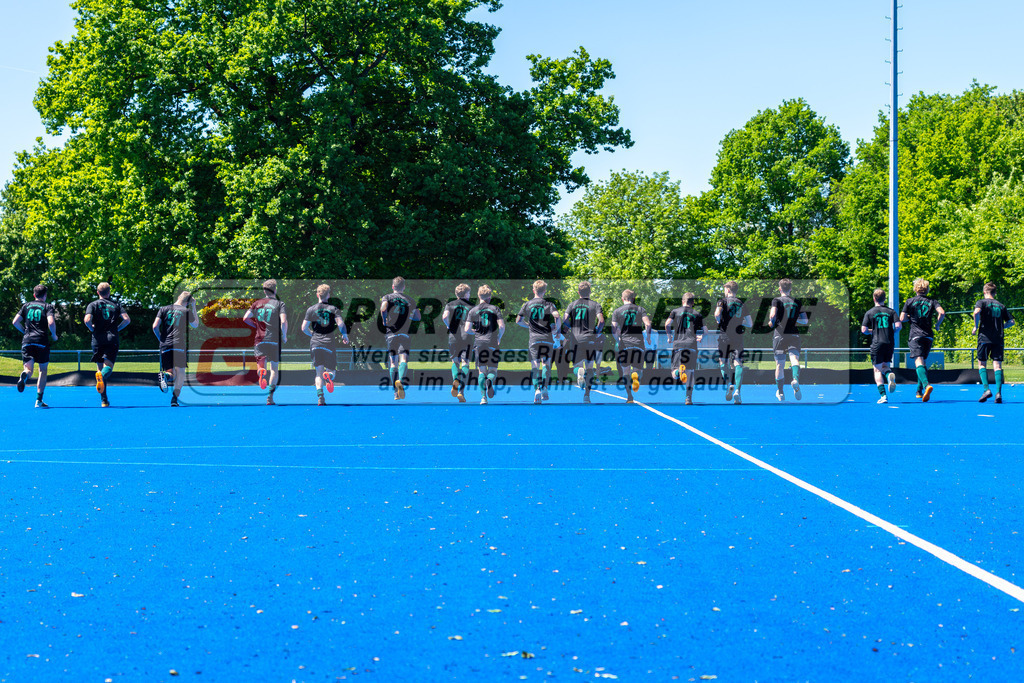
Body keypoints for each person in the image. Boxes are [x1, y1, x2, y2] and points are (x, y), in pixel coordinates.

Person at [84, 282, 131, 408]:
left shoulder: (92, 304)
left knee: (100, 368)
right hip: (112, 338)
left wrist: (92, 329)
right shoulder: (116, 305)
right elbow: (127, 319)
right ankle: (102, 378)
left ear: (98, 292)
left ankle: (104, 401)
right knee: (108, 367)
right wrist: (117, 329)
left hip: (97, 339)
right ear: (109, 292)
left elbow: (87, 320)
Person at [301, 284, 350, 406]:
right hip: (328, 343)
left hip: (316, 343)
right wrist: (345, 335)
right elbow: (340, 324)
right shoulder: (334, 309)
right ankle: (329, 375)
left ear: (317, 295)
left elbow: (303, 328)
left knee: (318, 373)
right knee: (332, 370)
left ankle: (320, 397)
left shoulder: (311, 309)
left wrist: (312, 334)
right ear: (328, 295)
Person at [242, 279, 288, 405]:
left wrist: (256, 325)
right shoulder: (279, 304)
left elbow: (245, 318)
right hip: (274, 339)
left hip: (259, 339)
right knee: (274, 369)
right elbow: (283, 321)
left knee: (261, 366)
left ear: (264, 290)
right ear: (275, 289)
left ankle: (261, 372)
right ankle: (270, 397)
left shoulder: (256, 303)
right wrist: (284, 335)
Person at [899, 278, 945, 402]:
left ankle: (926, 385)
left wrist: (910, 317)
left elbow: (902, 318)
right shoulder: (932, 301)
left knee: (918, 361)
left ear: (915, 289)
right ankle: (919, 391)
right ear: (927, 289)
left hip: (915, 335)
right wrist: (937, 324)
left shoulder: (910, 301)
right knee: (923, 362)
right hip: (928, 335)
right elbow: (942, 312)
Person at [12, 284, 58, 408]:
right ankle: (38, 400)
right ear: (45, 295)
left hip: (27, 340)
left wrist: (24, 332)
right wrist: (54, 335)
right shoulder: (47, 306)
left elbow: (15, 322)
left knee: (29, 369)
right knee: (42, 370)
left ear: (34, 295)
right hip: (41, 341)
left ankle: (25, 375)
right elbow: (51, 322)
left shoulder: (26, 306)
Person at [516, 280, 561, 404]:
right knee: (546, 364)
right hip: (547, 338)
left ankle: (537, 389)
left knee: (535, 365)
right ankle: (545, 388)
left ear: (533, 290)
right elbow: (557, 316)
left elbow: (518, 321)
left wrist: (528, 325)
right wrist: (557, 329)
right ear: (544, 291)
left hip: (534, 339)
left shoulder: (527, 304)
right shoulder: (549, 304)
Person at [152, 291, 199, 407]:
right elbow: (196, 325)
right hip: (179, 345)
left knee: (171, 372)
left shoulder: (163, 309)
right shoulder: (186, 311)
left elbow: (154, 326)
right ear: (188, 302)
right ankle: (174, 399)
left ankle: (165, 376)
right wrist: (193, 306)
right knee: (181, 373)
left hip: (165, 345)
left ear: (178, 297)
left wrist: (161, 339)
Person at [562, 280, 604, 404]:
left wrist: (571, 326)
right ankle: (587, 395)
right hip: (590, 339)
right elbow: (601, 321)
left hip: (576, 339)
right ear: (590, 291)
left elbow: (564, 319)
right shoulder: (595, 305)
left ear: (578, 292)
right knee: (590, 368)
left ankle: (579, 372)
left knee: (576, 366)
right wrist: (597, 332)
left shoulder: (572, 304)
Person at [972, 282, 1015, 403]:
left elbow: (976, 312)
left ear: (984, 292)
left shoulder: (981, 302)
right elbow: (1011, 322)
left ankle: (986, 389)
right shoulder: (1001, 305)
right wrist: (1002, 326)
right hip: (998, 338)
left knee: (982, 364)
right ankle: (998, 393)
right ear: (995, 293)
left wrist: (975, 327)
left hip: (985, 337)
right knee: (997, 366)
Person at [380, 276, 421, 400]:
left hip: (391, 333)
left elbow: (383, 308)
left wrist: (384, 320)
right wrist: (409, 316)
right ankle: (401, 381)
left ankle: (395, 392)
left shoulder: (387, 297)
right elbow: (418, 317)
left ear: (393, 286)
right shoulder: (410, 300)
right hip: (404, 333)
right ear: (404, 287)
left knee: (393, 362)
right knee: (404, 359)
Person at [769, 278, 809, 402]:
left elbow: (772, 315)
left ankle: (780, 392)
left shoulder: (776, 300)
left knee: (780, 364)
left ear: (780, 288)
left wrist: (772, 322)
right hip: (793, 335)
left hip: (780, 335)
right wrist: (794, 319)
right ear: (790, 289)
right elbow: (805, 320)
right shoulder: (797, 301)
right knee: (794, 359)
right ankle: (795, 379)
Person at [464, 285, 505, 404]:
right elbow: (501, 326)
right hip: (492, 342)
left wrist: (475, 331)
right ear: (489, 296)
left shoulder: (473, 310)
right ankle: (490, 380)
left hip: (479, 343)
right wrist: (499, 337)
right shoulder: (495, 309)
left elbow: (467, 329)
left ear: (479, 295)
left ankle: (483, 398)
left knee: (481, 371)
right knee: (493, 369)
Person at [610, 289, 652, 404]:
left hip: (624, 344)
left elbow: (613, 328)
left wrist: (617, 339)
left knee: (625, 372)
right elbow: (648, 324)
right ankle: (636, 375)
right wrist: (648, 337)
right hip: (638, 344)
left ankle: (629, 397)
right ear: (633, 298)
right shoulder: (640, 309)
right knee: (638, 369)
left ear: (622, 298)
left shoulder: (617, 311)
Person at [714, 281, 752, 405]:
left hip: (725, 335)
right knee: (738, 363)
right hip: (738, 336)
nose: (724, 291)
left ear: (729, 290)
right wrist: (740, 322)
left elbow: (717, 314)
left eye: (725, 289)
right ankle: (737, 392)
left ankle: (728, 384)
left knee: (723, 361)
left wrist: (719, 320)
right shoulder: (741, 303)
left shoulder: (722, 301)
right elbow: (750, 323)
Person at [665, 292, 706, 406]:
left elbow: (667, 324)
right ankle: (688, 398)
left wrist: (669, 336)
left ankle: (679, 371)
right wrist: (701, 337)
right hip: (691, 344)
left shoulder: (675, 311)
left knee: (674, 373)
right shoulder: (697, 314)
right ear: (692, 303)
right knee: (691, 372)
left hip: (678, 345)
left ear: (682, 301)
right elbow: (705, 331)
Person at [860, 289, 901, 404]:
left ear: (874, 298)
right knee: (885, 367)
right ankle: (889, 375)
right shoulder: (891, 312)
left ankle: (883, 396)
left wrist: (872, 331)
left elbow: (863, 330)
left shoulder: (870, 312)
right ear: (884, 298)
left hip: (877, 343)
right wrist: (889, 331)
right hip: (889, 343)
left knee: (877, 370)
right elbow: (898, 326)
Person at [442, 284, 474, 403]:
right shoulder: (472, 306)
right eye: (469, 293)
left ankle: (455, 379)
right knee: (465, 362)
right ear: (466, 294)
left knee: (455, 361)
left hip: (454, 336)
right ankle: (461, 391)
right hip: (467, 336)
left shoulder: (450, 304)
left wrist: (449, 325)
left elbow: (444, 316)